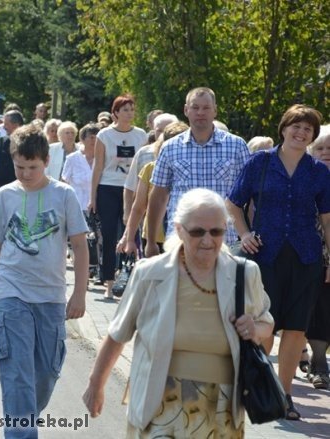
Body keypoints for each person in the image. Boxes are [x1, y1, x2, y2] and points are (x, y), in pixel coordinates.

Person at [83, 188, 273, 437]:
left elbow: (267, 326)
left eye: (216, 231)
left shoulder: (245, 273)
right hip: (159, 399)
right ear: (179, 229)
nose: (207, 240)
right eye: (197, 232)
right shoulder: (150, 272)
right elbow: (119, 332)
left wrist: (254, 328)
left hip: (222, 406)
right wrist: (96, 383)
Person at [0, 124, 88, 438]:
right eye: (20, 166)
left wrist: (80, 294)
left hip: (51, 298)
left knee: (46, 374)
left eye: (32, 167)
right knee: (18, 375)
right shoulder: (5, 195)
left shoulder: (64, 194)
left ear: (47, 161)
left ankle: (22, 420)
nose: (25, 173)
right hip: (12, 294)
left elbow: (79, 245)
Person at [227, 104, 330, 419]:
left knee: (296, 328)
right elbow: (233, 204)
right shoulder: (260, 162)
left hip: (306, 258)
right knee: (264, 325)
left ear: (312, 136)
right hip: (264, 256)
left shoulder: (319, 171)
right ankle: (260, 387)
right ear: (283, 128)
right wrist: (244, 234)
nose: (301, 133)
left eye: (307, 130)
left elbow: (327, 220)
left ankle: (284, 396)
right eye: (296, 127)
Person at [146, 87, 249, 257]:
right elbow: (158, 196)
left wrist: (248, 234)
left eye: (206, 107)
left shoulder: (237, 146)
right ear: (186, 110)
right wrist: (150, 241)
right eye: (195, 107)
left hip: (225, 239)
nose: (200, 112)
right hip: (182, 240)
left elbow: (249, 197)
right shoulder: (170, 148)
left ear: (215, 110)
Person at [90, 94, 148, 298]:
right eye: (125, 109)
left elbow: (143, 165)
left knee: (130, 234)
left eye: (132, 109)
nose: (129, 113)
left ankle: (129, 281)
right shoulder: (104, 135)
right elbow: (97, 166)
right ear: (115, 113)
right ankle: (108, 282)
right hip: (107, 187)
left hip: (132, 188)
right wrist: (93, 197)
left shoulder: (141, 135)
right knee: (108, 236)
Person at [117, 121, 189, 257]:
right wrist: (129, 238)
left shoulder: (195, 170)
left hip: (185, 236)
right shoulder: (150, 169)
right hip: (154, 238)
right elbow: (138, 207)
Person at [305, 124, 330, 389]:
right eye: (320, 148)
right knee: (320, 309)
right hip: (316, 255)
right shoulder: (309, 177)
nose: (325, 152)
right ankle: (319, 363)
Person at [122, 113, 179, 226]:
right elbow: (130, 187)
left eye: (168, 130)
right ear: (153, 130)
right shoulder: (143, 153)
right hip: (147, 221)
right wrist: (127, 214)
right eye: (159, 130)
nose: (163, 135)